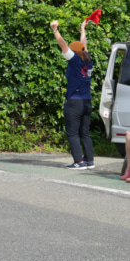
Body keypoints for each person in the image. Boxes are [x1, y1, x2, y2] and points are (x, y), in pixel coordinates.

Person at [51, 19, 95, 170]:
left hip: (74, 102)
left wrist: (55, 30)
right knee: (85, 133)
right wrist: (83, 29)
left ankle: (79, 162)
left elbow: (62, 44)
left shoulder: (75, 60)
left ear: (74, 52)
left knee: (72, 133)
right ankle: (89, 160)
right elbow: (84, 44)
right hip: (87, 102)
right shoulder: (88, 59)